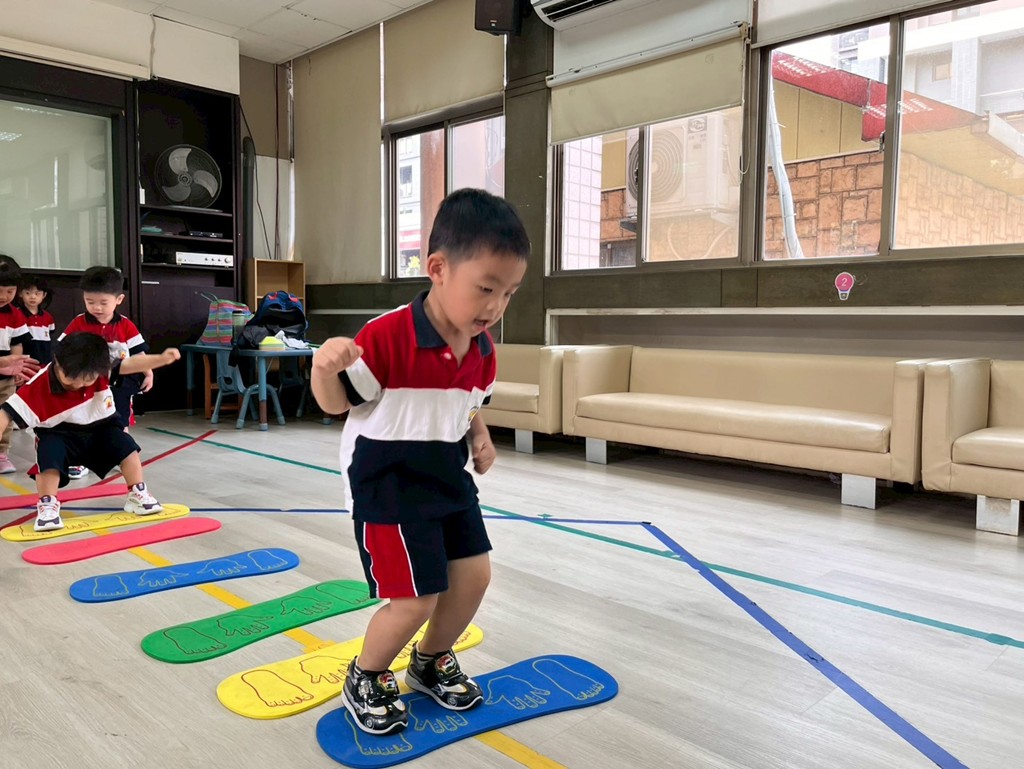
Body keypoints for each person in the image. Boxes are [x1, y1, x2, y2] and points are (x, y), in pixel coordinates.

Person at [311, 188, 530, 736]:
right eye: (486, 288)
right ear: (437, 269)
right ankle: (366, 675)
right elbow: (338, 404)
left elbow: (469, 405)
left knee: (474, 577)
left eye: (509, 294)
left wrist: (479, 435)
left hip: (446, 476)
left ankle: (429, 662)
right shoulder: (387, 336)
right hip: (387, 484)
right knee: (414, 599)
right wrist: (322, 367)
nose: (495, 307)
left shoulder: (483, 350)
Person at [0, 332, 180, 532]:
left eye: (87, 381)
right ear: (57, 361)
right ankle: (48, 504)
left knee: (127, 447)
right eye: (70, 379)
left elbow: (130, 364)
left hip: (101, 427)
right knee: (48, 461)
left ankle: (137, 493)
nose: (78, 385)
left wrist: (161, 359)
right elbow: (5, 413)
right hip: (58, 433)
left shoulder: (99, 369)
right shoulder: (39, 384)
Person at [59, 266, 150, 479]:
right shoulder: (79, 323)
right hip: (86, 384)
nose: (96, 307)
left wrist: (148, 373)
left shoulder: (126, 326)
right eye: (90, 302)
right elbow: (63, 349)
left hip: (119, 384)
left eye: (103, 302)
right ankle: (79, 460)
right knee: (81, 420)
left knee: (119, 420)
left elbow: (139, 353)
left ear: (119, 299)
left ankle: (122, 456)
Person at [0, 261, 30, 475]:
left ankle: (1, 453)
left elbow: (17, 344)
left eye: (10, 291)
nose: (4, 296)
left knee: (6, 414)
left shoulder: (16, 315)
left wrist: (17, 367)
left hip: (6, 379)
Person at [19, 274, 56, 367]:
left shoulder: (48, 317)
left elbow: (51, 334)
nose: (33, 297)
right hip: (24, 362)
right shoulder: (17, 314)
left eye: (37, 293)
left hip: (44, 361)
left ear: (44, 295)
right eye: (28, 293)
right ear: (20, 293)